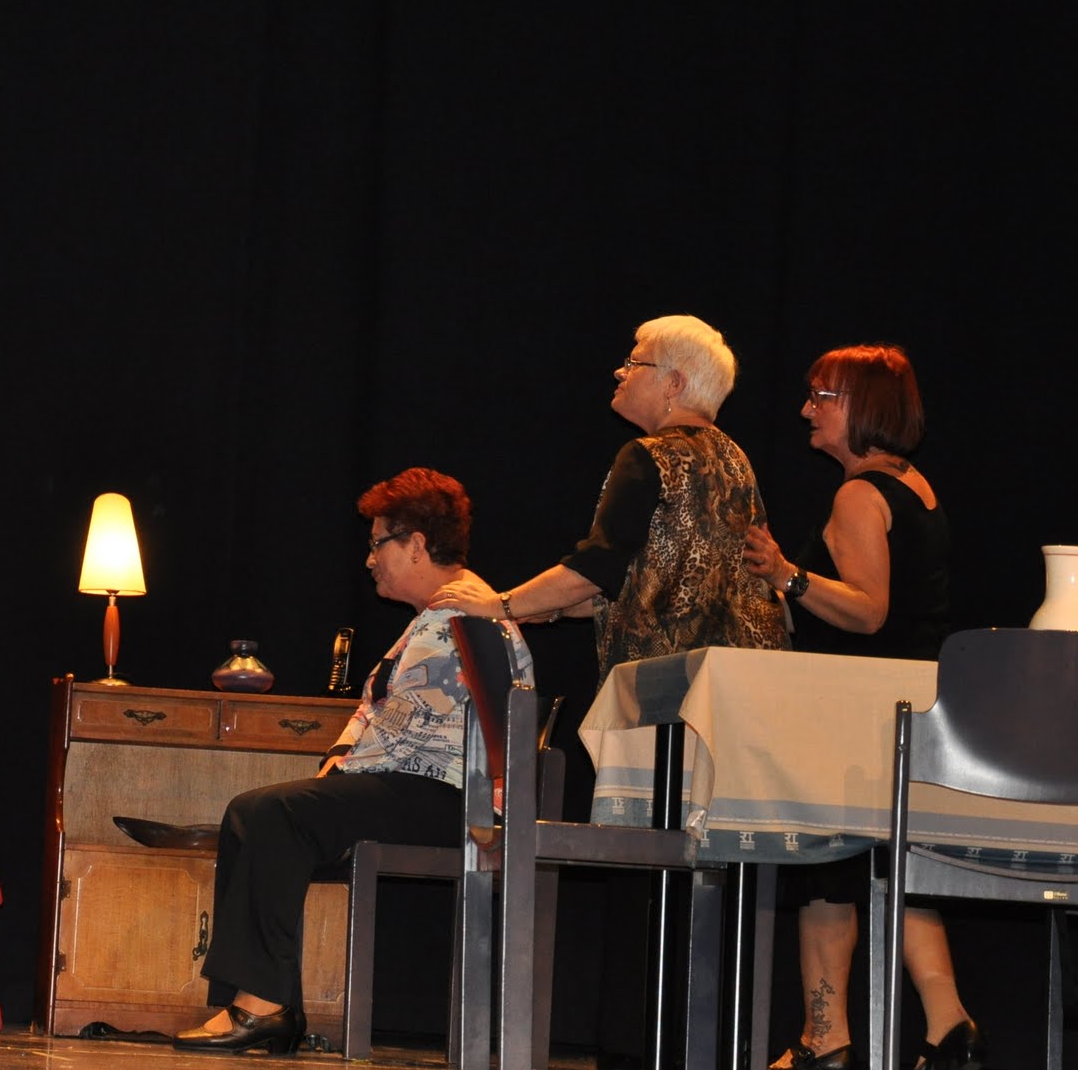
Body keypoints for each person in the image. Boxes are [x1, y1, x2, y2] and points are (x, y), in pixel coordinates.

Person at [433, 313, 789, 1070]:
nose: (620, 373)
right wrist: (552, 605)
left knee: (645, 875)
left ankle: (634, 1046)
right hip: (738, 706)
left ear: (676, 383)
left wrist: (499, 605)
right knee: (707, 879)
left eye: (635, 362)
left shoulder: (647, 456)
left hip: (662, 700)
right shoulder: (737, 462)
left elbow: (598, 566)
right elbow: (648, 580)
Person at [173, 467, 532, 1055]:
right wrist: (337, 763)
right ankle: (260, 1002)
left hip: (450, 797)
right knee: (255, 812)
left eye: (377, 544)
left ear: (416, 544)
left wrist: (339, 774)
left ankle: (263, 1005)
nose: (369, 560)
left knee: (274, 813)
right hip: (415, 786)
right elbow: (375, 712)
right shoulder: (435, 616)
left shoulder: (463, 616)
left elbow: (405, 728)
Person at [742, 345, 981, 1070]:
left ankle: (826, 1040)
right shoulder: (915, 485)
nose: (806, 409)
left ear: (863, 406)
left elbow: (869, 611)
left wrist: (787, 576)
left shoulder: (858, 494)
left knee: (827, 870)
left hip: (859, 711)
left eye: (822, 396)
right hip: (912, 708)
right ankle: (948, 1027)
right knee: (895, 865)